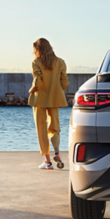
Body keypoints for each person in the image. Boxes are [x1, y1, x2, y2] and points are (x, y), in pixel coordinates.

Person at [28, 38, 69, 169]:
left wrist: (31, 89)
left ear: (38, 49)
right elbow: (65, 83)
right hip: (55, 98)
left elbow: (37, 80)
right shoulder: (60, 62)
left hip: (40, 98)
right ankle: (57, 152)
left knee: (41, 128)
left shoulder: (36, 62)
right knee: (54, 127)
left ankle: (47, 162)